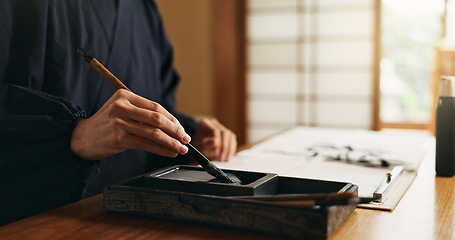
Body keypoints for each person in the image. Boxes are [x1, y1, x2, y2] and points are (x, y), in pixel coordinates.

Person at [0, 0, 237, 225]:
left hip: (135, 216)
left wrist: (187, 136)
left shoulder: (142, 7)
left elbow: (154, 99)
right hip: (45, 221)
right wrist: (74, 136)